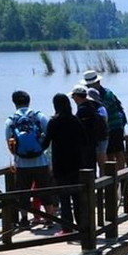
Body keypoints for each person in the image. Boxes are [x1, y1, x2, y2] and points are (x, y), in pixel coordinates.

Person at [4, 90, 57, 229]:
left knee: (23, 192)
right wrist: (48, 156)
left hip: (21, 164)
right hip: (41, 161)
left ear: (14, 102)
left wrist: (17, 155)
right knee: (45, 190)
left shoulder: (10, 120)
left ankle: (24, 220)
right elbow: (51, 137)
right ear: (29, 100)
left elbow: (9, 142)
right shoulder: (40, 116)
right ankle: (50, 219)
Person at [45, 92, 89, 237]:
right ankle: (81, 226)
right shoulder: (75, 120)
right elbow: (84, 140)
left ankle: (67, 229)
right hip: (76, 163)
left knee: (64, 198)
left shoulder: (53, 122)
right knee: (77, 198)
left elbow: (45, 143)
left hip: (60, 164)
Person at [83, 69, 128, 169]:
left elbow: (104, 110)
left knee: (118, 152)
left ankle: (121, 177)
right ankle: (113, 178)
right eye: (87, 86)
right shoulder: (90, 95)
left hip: (114, 126)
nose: (88, 88)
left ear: (98, 82)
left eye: (90, 85)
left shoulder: (107, 94)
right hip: (104, 130)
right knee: (108, 154)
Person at [71, 84, 106, 172]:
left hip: (86, 145)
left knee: (87, 168)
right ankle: (95, 184)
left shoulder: (83, 110)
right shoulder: (91, 106)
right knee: (92, 167)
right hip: (92, 143)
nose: (73, 99)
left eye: (73, 96)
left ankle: (91, 185)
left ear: (77, 96)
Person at [86, 88, 109, 168]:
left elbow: (103, 121)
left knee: (101, 160)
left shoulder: (101, 108)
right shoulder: (91, 108)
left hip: (102, 137)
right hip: (94, 138)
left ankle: (104, 177)